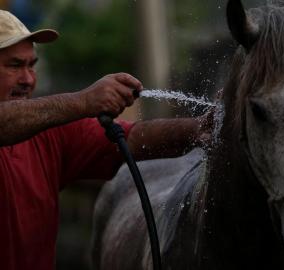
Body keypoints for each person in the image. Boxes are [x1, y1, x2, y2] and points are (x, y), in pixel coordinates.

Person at [0, 10, 211, 270]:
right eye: (14, 65)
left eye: (31, 65)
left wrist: (202, 128)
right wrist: (84, 101)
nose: (28, 79)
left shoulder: (47, 134)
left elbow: (131, 137)